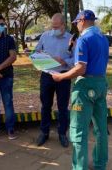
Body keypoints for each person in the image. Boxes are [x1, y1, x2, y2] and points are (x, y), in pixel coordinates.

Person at [52, 10, 109, 170]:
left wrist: (61, 77)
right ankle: (100, 164)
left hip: (85, 86)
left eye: (77, 22)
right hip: (101, 84)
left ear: (82, 20)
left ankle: (79, 167)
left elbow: (81, 68)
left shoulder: (84, 39)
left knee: (78, 131)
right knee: (101, 129)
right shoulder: (103, 38)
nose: (76, 25)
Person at [35, 13, 74, 148]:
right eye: (52, 26)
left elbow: (75, 60)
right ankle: (44, 132)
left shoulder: (71, 39)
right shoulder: (45, 36)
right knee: (45, 106)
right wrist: (41, 59)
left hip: (63, 76)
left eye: (57, 26)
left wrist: (64, 61)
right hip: (47, 75)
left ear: (64, 25)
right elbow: (36, 51)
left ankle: (62, 134)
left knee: (63, 107)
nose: (54, 29)